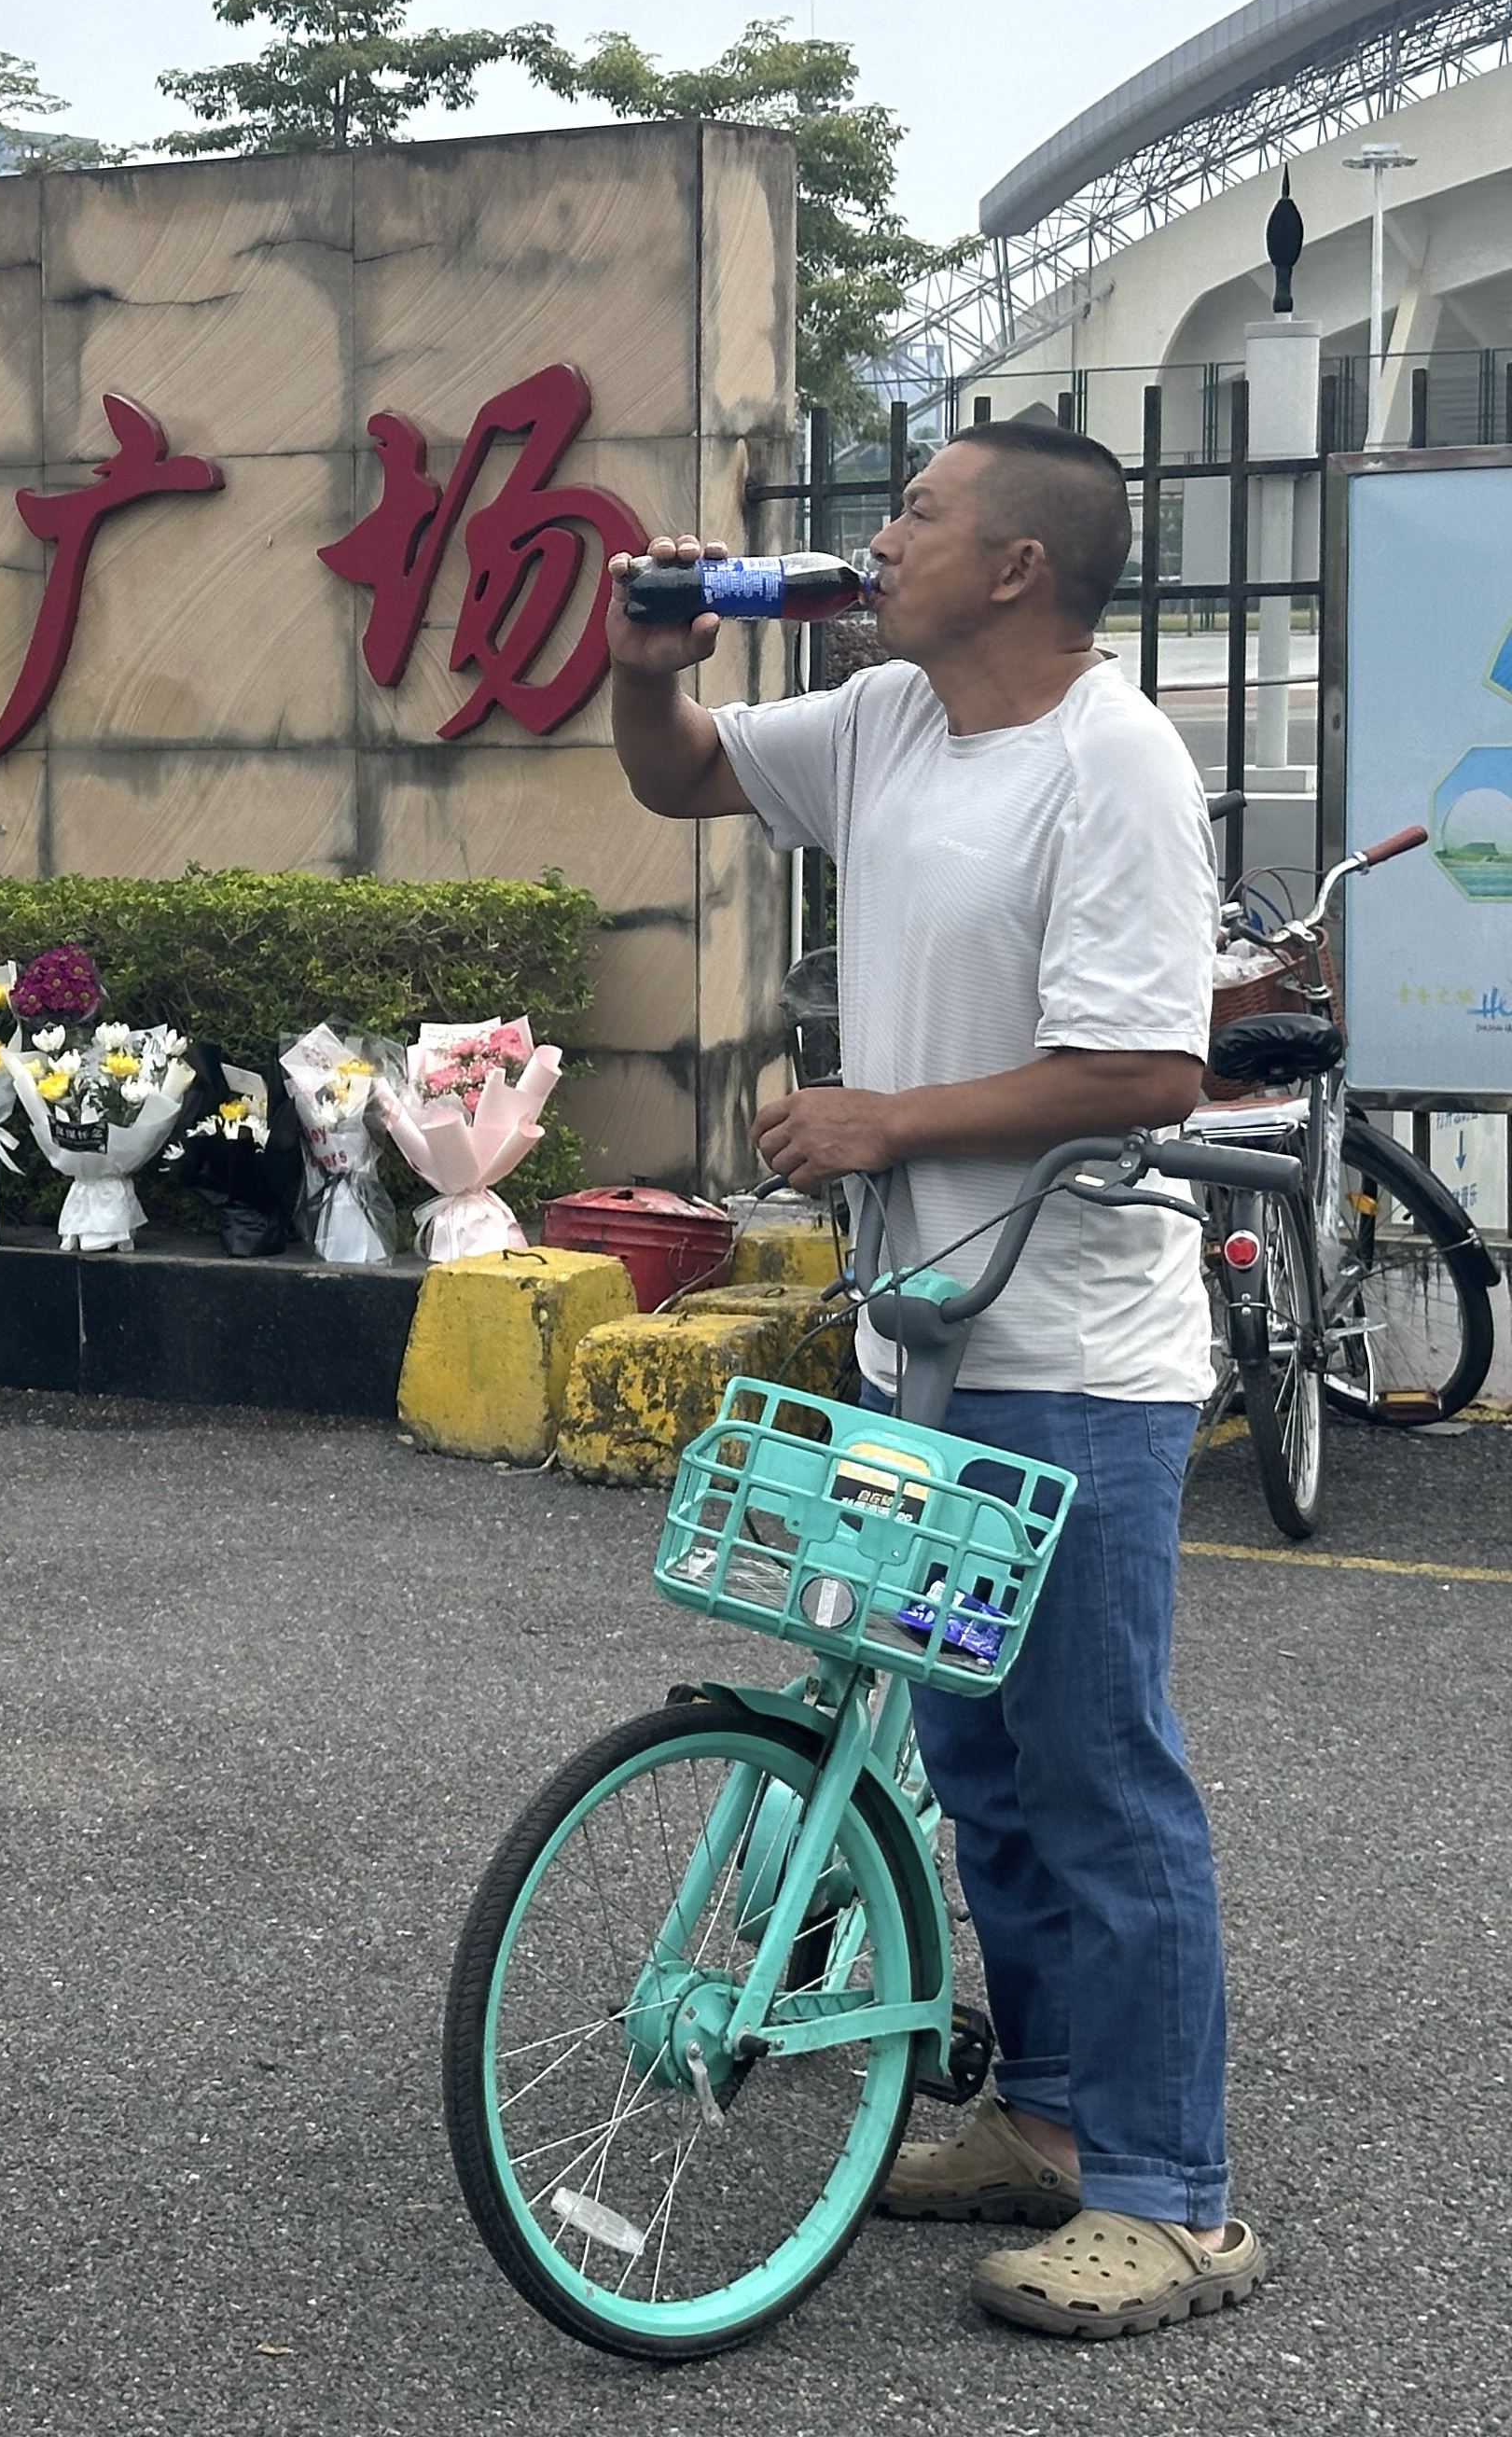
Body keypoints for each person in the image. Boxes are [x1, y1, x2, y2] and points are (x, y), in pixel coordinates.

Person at [605, 421, 1252, 2338]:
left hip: (1073, 1354)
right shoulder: (888, 714)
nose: (879, 540)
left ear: (1019, 569)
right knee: (974, 1752)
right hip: (925, 1334)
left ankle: (1174, 2195)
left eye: (918, 513)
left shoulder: (1112, 758)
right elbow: (686, 779)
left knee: (1093, 1763)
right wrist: (651, 672)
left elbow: (1145, 1068)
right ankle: (1043, 2121)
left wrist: (886, 1119)